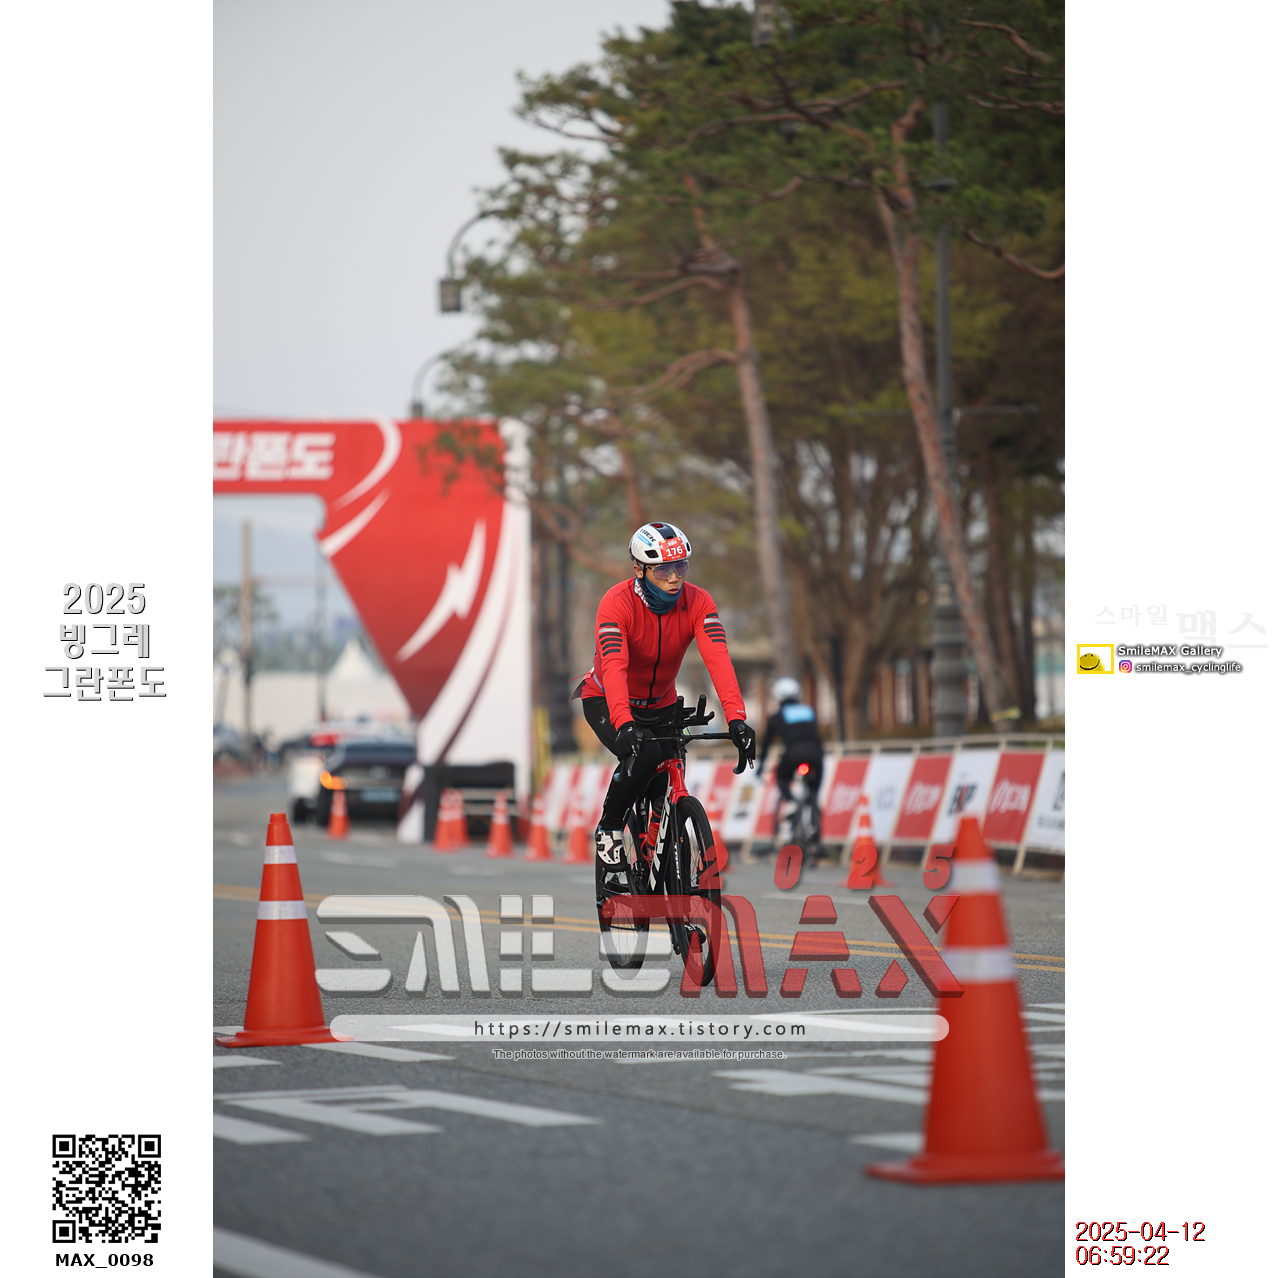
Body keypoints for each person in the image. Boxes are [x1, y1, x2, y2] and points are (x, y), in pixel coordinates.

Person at [573, 522, 756, 908]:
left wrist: (737, 719)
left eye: (681, 567)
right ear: (639, 569)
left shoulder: (699, 602)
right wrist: (624, 722)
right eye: (662, 570)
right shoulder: (616, 603)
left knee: (667, 774)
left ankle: (664, 851)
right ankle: (609, 827)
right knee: (645, 754)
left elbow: (718, 660)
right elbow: (615, 667)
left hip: (661, 704)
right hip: (608, 699)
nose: (674, 578)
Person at [758, 676, 825, 849]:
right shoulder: (809, 711)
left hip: (793, 754)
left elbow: (766, 744)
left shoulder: (776, 716)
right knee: (813, 791)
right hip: (816, 754)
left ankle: (791, 802)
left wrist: (760, 766)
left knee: (781, 776)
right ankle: (815, 831)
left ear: (778, 697)